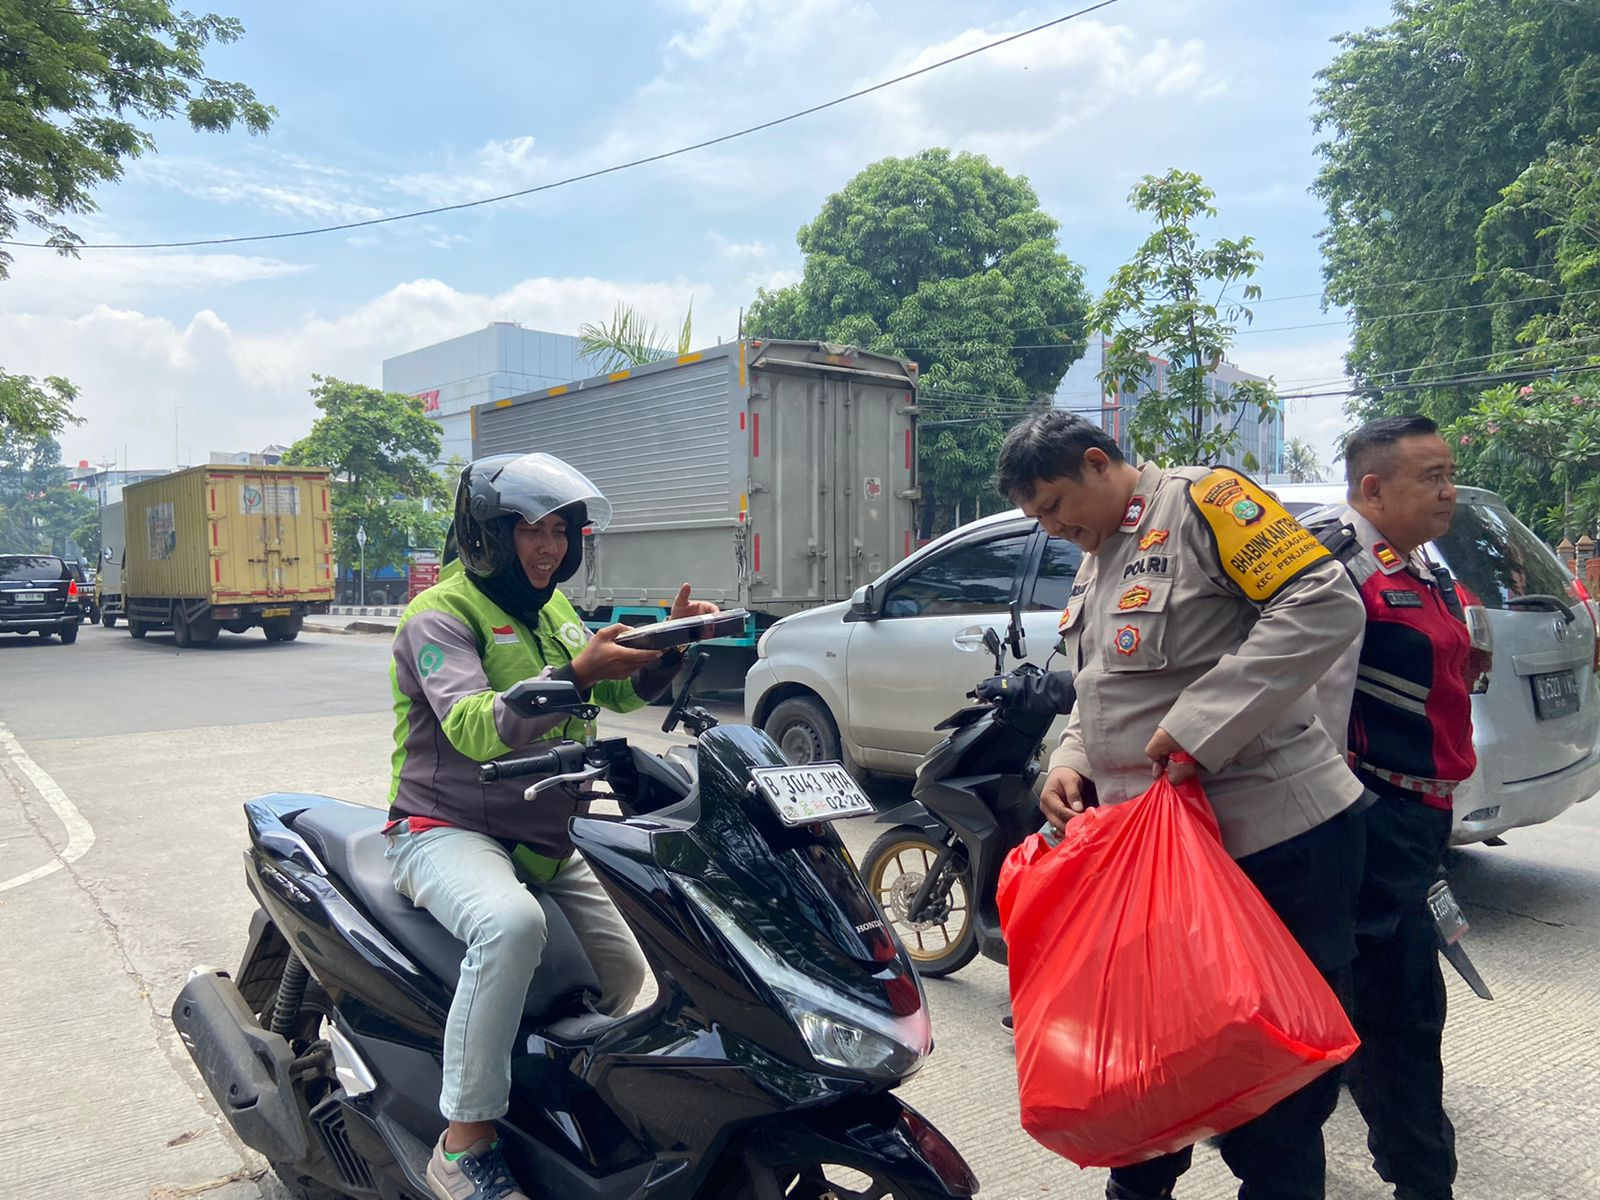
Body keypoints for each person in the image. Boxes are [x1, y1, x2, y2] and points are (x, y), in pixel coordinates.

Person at [995, 411, 1368, 1200]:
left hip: (1270, 845)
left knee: (1271, 1097)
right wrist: (1070, 761)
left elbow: (1324, 603)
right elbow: (1104, 688)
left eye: (1055, 504)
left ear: (1099, 463)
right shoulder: (1097, 560)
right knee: (1143, 1069)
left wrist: (1201, 724)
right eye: (1037, 517)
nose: (1052, 527)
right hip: (1155, 863)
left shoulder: (1207, 503)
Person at [385, 452, 716, 1200]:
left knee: (621, 971)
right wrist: (577, 674)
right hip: (444, 827)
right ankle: (462, 1145)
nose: (548, 546)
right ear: (488, 535)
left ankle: (535, 1084)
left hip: (545, 836)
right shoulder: (439, 614)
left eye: (561, 531)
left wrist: (664, 650)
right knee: (509, 926)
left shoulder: (554, 610)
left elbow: (614, 698)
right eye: (531, 529)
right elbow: (473, 726)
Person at [1313, 416, 1476, 1200]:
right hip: (1370, 820)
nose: (1449, 492)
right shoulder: (1335, 566)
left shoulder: (1419, 559)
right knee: (1401, 1018)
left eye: (1450, 474)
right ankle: (1420, 1179)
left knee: (1396, 1013)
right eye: (1432, 478)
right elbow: (1312, 716)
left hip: (1420, 821)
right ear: (1373, 488)